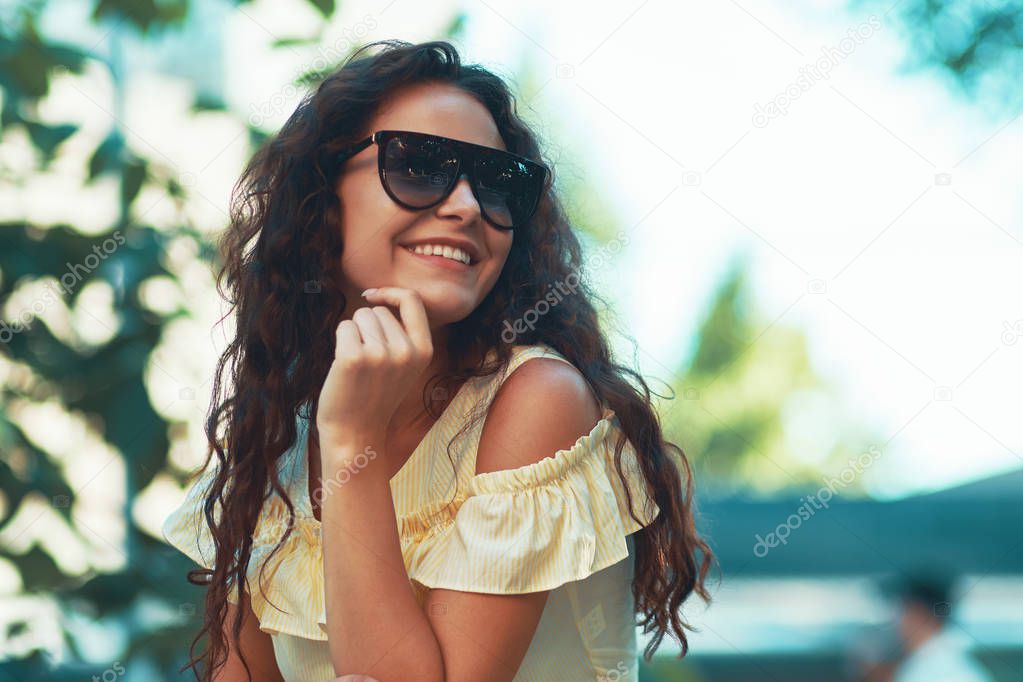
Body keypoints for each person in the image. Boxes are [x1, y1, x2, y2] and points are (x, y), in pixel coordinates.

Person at [161, 39, 713, 682]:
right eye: (420, 166)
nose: (467, 206)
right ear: (324, 199)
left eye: (496, 183)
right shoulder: (280, 433)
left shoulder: (538, 399)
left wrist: (352, 444)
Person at [889, 573, 993, 682]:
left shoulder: (948, 673)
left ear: (918, 613)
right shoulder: (926, 664)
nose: (896, 621)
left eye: (900, 610)